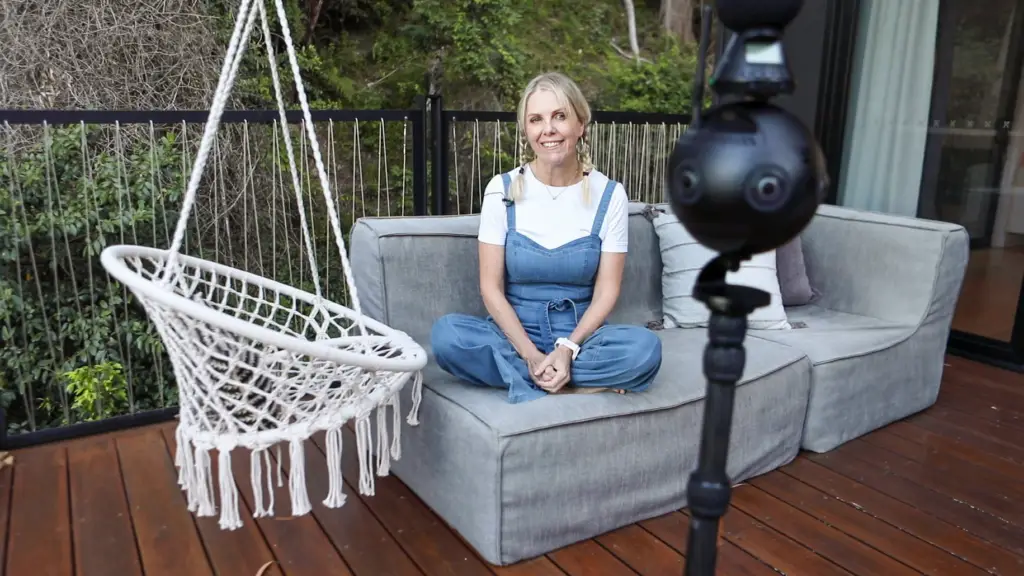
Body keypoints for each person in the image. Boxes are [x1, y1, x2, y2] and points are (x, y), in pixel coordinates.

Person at [430, 72, 663, 404]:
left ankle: (545, 376)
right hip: (513, 335)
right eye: (536, 119)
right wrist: (530, 354)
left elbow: (607, 290)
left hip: (582, 337)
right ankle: (566, 382)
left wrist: (567, 348)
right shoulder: (502, 190)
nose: (548, 130)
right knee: (447, 337)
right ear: (526, 130)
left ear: (581, 125)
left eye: (560, 116)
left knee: (645, 351)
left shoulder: (610, 195)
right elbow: (490, 289)